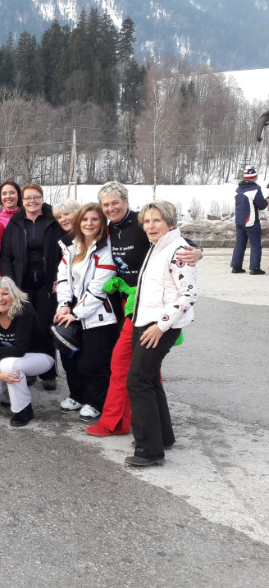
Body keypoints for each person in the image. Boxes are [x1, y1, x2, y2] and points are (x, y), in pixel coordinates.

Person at [86, 181, 202, 437]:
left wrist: (199, 252)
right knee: (137, 366)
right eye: (106, 204)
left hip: (151, 306)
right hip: (126, 303)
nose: (111, 208)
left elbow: (183, 243)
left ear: (126, 201)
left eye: (115, 202)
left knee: (135, 368)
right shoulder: (107, 229)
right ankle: (144, 426)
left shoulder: (144, 222)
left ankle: (128, 426)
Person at [125, 200, 198, 467]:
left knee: (138, 381)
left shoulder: (178, 250)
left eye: (156, 220)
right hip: (145, 321)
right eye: (146, 221)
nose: (150, 225)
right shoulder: (158, 248)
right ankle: (162, 437)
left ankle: (149, 450)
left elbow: (188, 295)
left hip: (159, 325)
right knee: (150, 380)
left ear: (170, 222)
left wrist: (161, 325)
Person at [53, 202, 119, 422]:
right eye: (84, 219)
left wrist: (76, 313)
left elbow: (98, 288)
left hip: (99, 315)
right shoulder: (71, 247)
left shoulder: (106, 248)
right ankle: (77, 396)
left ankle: (95, 401)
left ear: (102, 222)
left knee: (92, 361)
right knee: (69, 357)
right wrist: (63, 304)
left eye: (94, 219)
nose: (89, 223)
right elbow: (63, 278)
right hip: (71, 310)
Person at [0, 183, 63, 390]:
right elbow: (6, 256)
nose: (32, 202)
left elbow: (65, 253)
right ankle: (30, 370)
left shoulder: (54, 220)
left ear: (42, 199)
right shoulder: (15, 223)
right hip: (22, 283)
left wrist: (59, 279)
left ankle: (49, 372)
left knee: (46, 325)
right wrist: (11, 284)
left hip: (48, 283)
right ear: (22, 201)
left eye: (36, 197)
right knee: (26, 325)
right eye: (27, 198)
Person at [0, 277, 55, 427]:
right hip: (7, 359)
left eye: (5, 293)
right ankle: (15, 396)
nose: (0, 299)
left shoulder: (24, 309)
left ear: (14, 295)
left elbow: (19, 349)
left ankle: (23, 409)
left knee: (9, 365)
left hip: (39, 355)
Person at [231, 166, 267, 275]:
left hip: (239, 221)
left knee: (240, 244)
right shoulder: (255, 189)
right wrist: (267, 200)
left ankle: (236, 267)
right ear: (254, 177)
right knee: (256, 244)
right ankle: (255, 268)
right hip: (251, 221)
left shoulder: (238, 190)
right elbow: (262, 205)